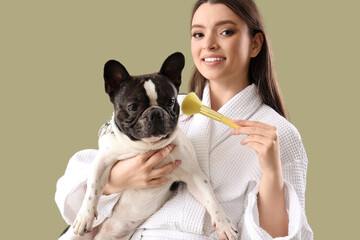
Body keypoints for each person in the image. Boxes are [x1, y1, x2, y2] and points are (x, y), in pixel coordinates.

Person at [55, 0, 313, 239]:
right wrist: (116, 180)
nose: (209, 44)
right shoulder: (171, 106)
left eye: (226, 32)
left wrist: (271, 172)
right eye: (198, 34)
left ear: (256, 44)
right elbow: (73, 182)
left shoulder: (278, 133)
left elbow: (284, 235)